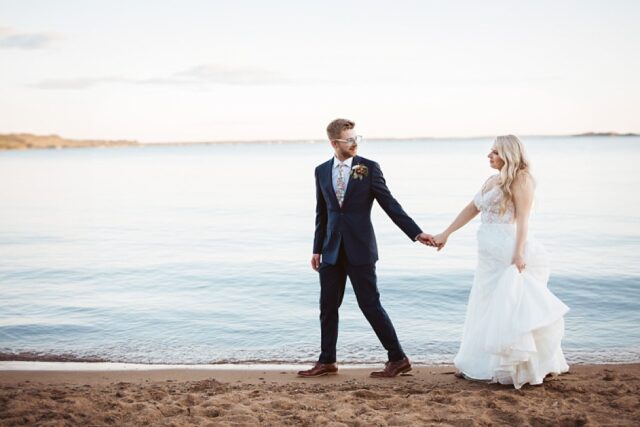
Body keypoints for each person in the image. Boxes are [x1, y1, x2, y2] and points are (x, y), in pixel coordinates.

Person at [298, 118, 436, 378]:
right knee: (327, 306)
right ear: (334, 143)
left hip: (360, 249)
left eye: (356, 138)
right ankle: (327, 360)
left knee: (369, 305)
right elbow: (322, 213)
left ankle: (398, 358)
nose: (354, 143)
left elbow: (390, 205)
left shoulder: (369, 168)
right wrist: (317, 249)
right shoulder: (320, 171)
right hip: (330, 250)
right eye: (349, 139)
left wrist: (416, 233)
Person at [433, 135, 569, 389]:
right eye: (490, 151)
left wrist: (518, 253)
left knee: (507, 305)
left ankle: (516, 366)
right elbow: (471, 209)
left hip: (507, 250)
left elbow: (524, 220)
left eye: (494, 152)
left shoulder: (521, 179)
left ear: (508, 154)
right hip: (487, 254)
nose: (489, 155)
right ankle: (479, 362)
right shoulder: (491, 180)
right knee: (484, 304)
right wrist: (446, 233)